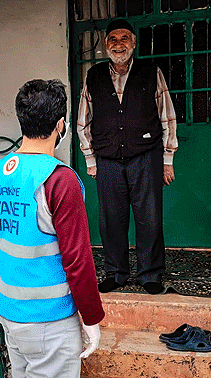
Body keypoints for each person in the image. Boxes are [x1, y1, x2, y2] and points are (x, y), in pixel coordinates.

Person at [0, 79, 105, 378]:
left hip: (10, 313)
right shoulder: (59, 180)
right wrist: (91, 318)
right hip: (50, 319)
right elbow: (78, 260)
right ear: (61, 125)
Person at [77, 18, 178, 295]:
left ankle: (150, 274)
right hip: (107, 159)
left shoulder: (151, 72)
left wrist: (167, 159)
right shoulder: (94, 75)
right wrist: (90, 159)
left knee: (150, 218)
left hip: (146, 156)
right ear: (105, 44)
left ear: (133, 42)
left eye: (124, 38)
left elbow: (167, 116)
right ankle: (116, 273)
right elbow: (83, 121)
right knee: (111, 219)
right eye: (113, 39)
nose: (118, 44)